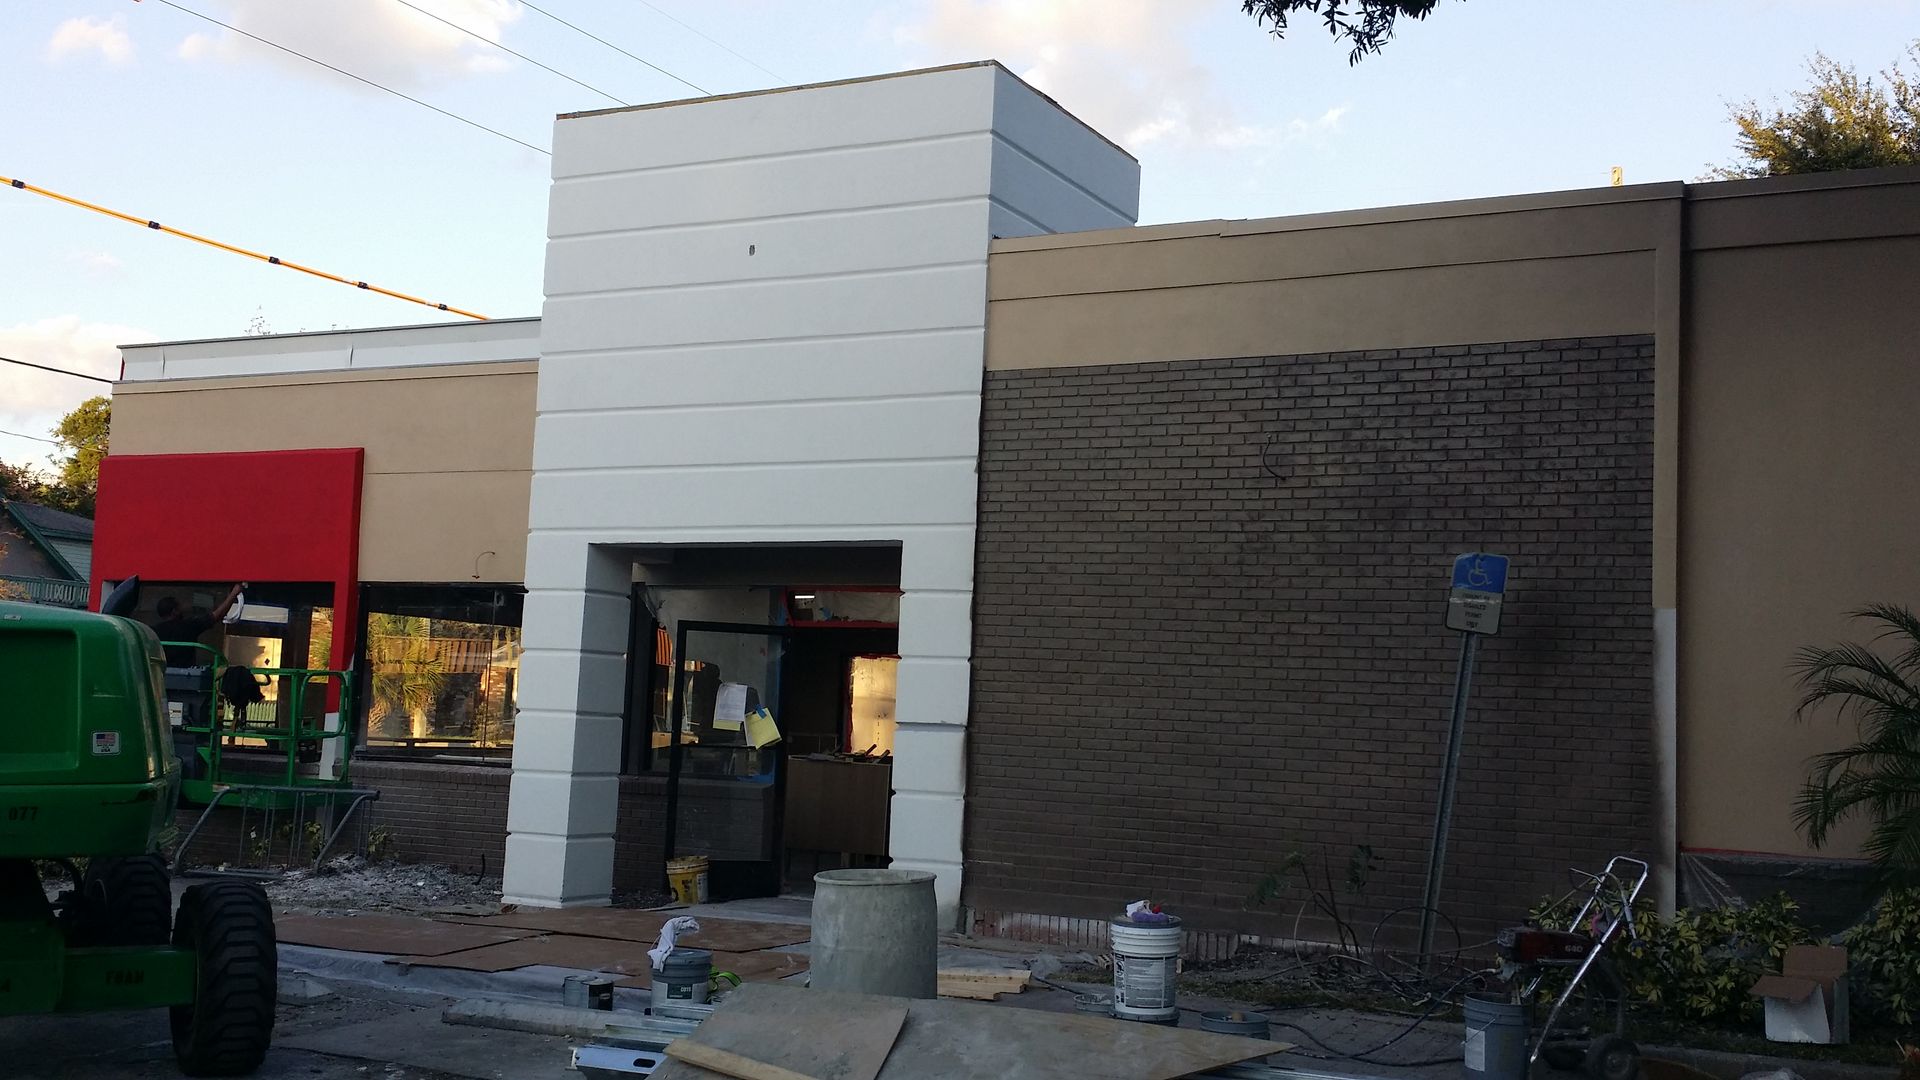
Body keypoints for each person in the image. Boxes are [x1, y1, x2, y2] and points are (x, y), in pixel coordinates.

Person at [150, 582, 246, 667]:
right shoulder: (187, 626)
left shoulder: (153, 632)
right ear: (174, 611)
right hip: (186, 677)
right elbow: (216, 616)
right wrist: (234, 593)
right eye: (180, 607)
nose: (183, 609)